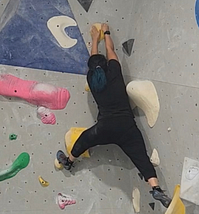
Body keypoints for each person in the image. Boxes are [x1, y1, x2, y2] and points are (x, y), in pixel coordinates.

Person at [57, 23, 172, 208]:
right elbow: (109, 49)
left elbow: (92, 60)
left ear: (92, 71)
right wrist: (106, 32)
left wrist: (94, 39)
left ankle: (69, 161)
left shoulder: (92, 81)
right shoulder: (115, 72)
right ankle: (156, 188)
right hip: (126, 126)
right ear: (106, 64)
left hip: (105, 128)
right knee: (140, 157)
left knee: (84, 139)